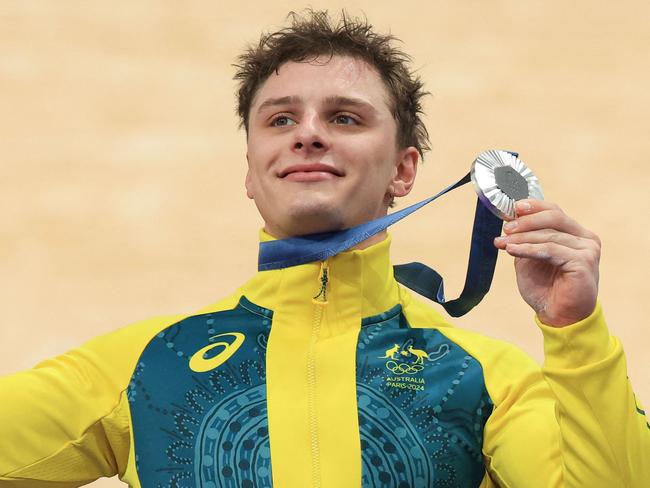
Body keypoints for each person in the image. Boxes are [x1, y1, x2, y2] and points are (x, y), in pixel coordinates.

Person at [1, 9, 648, 488]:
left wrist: (576, 332)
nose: (308, 134)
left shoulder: (486, 377)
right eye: (280, 119)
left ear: (405, 170)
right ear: (252, 172)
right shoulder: (143, 364)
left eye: (345, 117)